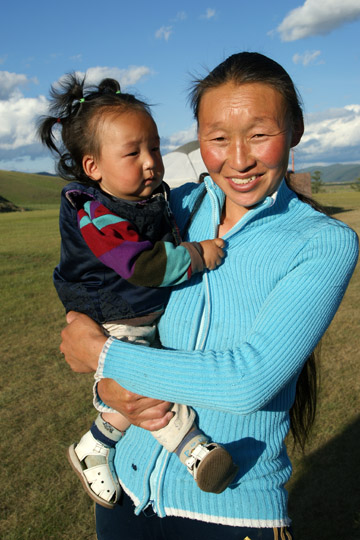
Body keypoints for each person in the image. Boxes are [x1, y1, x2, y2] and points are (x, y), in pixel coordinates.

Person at [60, 53, 359, 540]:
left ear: (296, 129)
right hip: (127, 497)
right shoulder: (174, 208)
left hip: (231, 511)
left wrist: (102, 357)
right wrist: (105, 381)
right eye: (218, 139)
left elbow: (247, 382)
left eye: (259, 134)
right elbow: (98, 286)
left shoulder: (323, 242)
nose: (238, 159)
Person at [38, 74, 238, 509]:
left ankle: (95, 446)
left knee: (135, 384)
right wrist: (197, 254)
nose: (151, 162)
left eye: (155, 147)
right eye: (133, 152)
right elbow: (141, 264)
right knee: (145, 384)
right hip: (114, 315)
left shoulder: (146, 198)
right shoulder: (95, 214)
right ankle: (193, 449)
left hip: (135, 313)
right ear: (93, 167)